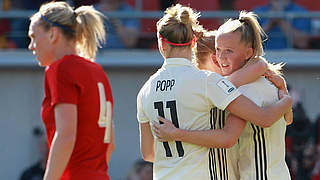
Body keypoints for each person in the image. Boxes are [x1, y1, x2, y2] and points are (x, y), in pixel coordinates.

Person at [137, 4, 292, 180]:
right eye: (218, 51)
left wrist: (176, 141)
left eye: (227, 51)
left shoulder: (145, 91)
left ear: (161, 43)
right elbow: (239, 131)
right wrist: (287, 98)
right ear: (193, 41)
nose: (220, 59)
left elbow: (149, 154)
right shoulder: (208, 82)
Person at [28, 1, 114, 180]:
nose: (31, 45)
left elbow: (66, 135)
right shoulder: (97, 70)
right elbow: (110, 143)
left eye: (33, 37)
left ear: (53, 34)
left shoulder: (60, 68)